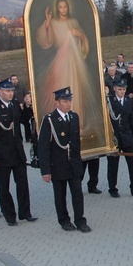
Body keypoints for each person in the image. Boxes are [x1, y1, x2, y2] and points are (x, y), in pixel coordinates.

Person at [36, 0, 102, 136]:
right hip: (62, 59)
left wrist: (79, 34)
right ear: (57, 8)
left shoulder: (74, 22)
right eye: (60, 7)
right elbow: (46, 41)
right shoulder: (53, 22)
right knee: (62, 87)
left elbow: (83, 39)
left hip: (75, 60)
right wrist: (47, 23)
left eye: (65, 6)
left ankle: (77, 124)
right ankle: (61, 125)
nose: (63, 9)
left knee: (76, 89)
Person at [37, 87, 91, 233]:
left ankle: (80, 220)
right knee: (60, 195)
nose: (68, 104)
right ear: (57, 102)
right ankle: (64, 220)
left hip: (73, 163)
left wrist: (79, 162)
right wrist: (45, 170)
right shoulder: (49, 120)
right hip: (58, 165)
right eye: (64, 101)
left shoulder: (74, 117)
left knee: (78, 194)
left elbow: (76, 144)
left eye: (69, 101)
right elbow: (43, 147)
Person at [0, 79, 36, 226]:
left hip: (17, 152)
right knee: (3, 188)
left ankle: (25, 213)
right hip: (1, 155)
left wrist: (27, 107)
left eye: (12, 91)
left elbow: (22, 121)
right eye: (7, 91)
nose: (10, 93)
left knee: (23, 184)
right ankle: (10, 216)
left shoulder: (14, 105)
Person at [107, 80, 133, 198]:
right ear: (115, 88)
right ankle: (112, 188)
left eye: (124, 89)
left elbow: (132, 119)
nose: (122, 92)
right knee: (113, 165)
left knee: (132, 163)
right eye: (120, 89)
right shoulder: (109, 100)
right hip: (114, 137)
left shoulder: (128, 100)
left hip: (127, 136)